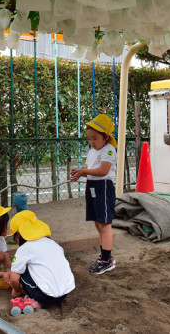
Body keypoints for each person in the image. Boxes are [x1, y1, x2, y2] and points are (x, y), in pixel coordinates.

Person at [70, 114, 117, 275]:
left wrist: (84, 171)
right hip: (93, 186)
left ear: (106, 136)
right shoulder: (92, 151)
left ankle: (106, 259)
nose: (92, 142)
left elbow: (103, 170)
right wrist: (79, 173)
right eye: (89, 138)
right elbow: (89, 169)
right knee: (98, 223)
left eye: (95, 138)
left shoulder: (109, 150)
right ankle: (104, 255)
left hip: (103, 187)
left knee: (104, 224)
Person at [6, 211, 75, 305]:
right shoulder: (54, 244)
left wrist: (16, 290)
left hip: (45, 296)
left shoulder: (25, 248)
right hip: (65, 293)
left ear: (18, 234)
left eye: (15, 238)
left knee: (20, 268)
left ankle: (32, 294)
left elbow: (14, 278)